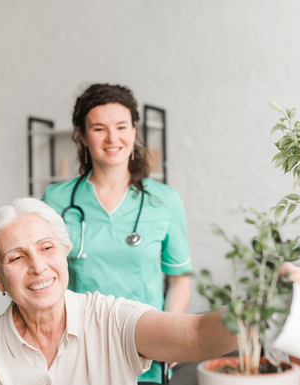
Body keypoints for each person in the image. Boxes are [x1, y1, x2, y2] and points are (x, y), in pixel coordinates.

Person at [0, 197, 300, 384]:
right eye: (17, 257)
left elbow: (196, 335)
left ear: (65, 253)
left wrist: (269, 304)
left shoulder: (110, 317)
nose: (38, 266)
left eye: (47, 248)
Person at [42, 83, 190, 383]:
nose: (112, 138)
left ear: (134, 130)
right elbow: (43, 276)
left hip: (145, 347)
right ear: (82, 136)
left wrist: (171, 330)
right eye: (99, 128)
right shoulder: (55, 200)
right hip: (77, 347)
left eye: (122, 126)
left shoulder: (165, 200)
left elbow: (179, 279)